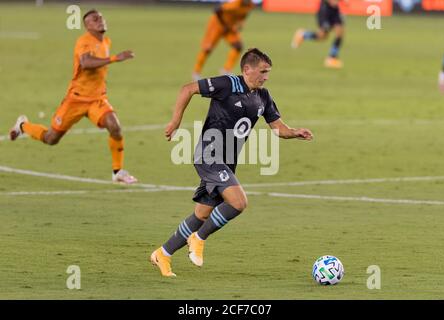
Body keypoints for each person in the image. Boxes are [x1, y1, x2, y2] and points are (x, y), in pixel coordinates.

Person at [151, 48, 313, 277]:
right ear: (247, 69)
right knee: (238, 202)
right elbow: (188, 89)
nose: (266, 77)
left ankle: (163, 254)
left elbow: (278, 128)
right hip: (208, 155)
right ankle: (197, 239)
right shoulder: (227, 84)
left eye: (268, 72)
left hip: (227, 162)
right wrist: (176, 121)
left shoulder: (263, 96)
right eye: (262, 71)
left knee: (202, 214)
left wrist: (295, 132)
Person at [9, 9, 137, 184]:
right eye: (95, 19)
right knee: (51, 139)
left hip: (97, 99)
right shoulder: (84, 41)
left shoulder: (106, 41)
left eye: (101, 17)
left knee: (115, 127)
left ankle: (118, 172)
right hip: (76, 99)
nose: (100, 20)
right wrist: (114, 58)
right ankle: (23, 126)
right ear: (87, 26)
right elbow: (86, 63)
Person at [192, 0, 256, 81]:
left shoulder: (250, 5)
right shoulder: (234, 4)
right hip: (216, 25)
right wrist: (223, 24)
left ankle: (226, 70)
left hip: (229, 27)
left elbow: (245, 14)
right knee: (207, 49)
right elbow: (217, 9)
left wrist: (240, 23)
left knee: (238, 46)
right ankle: (196, 73)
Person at [291, 0, 346, 69]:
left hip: (335, 9)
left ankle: (332, 58)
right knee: (322, 36)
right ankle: (303, 34)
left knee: (340, 32)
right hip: (325, 9)